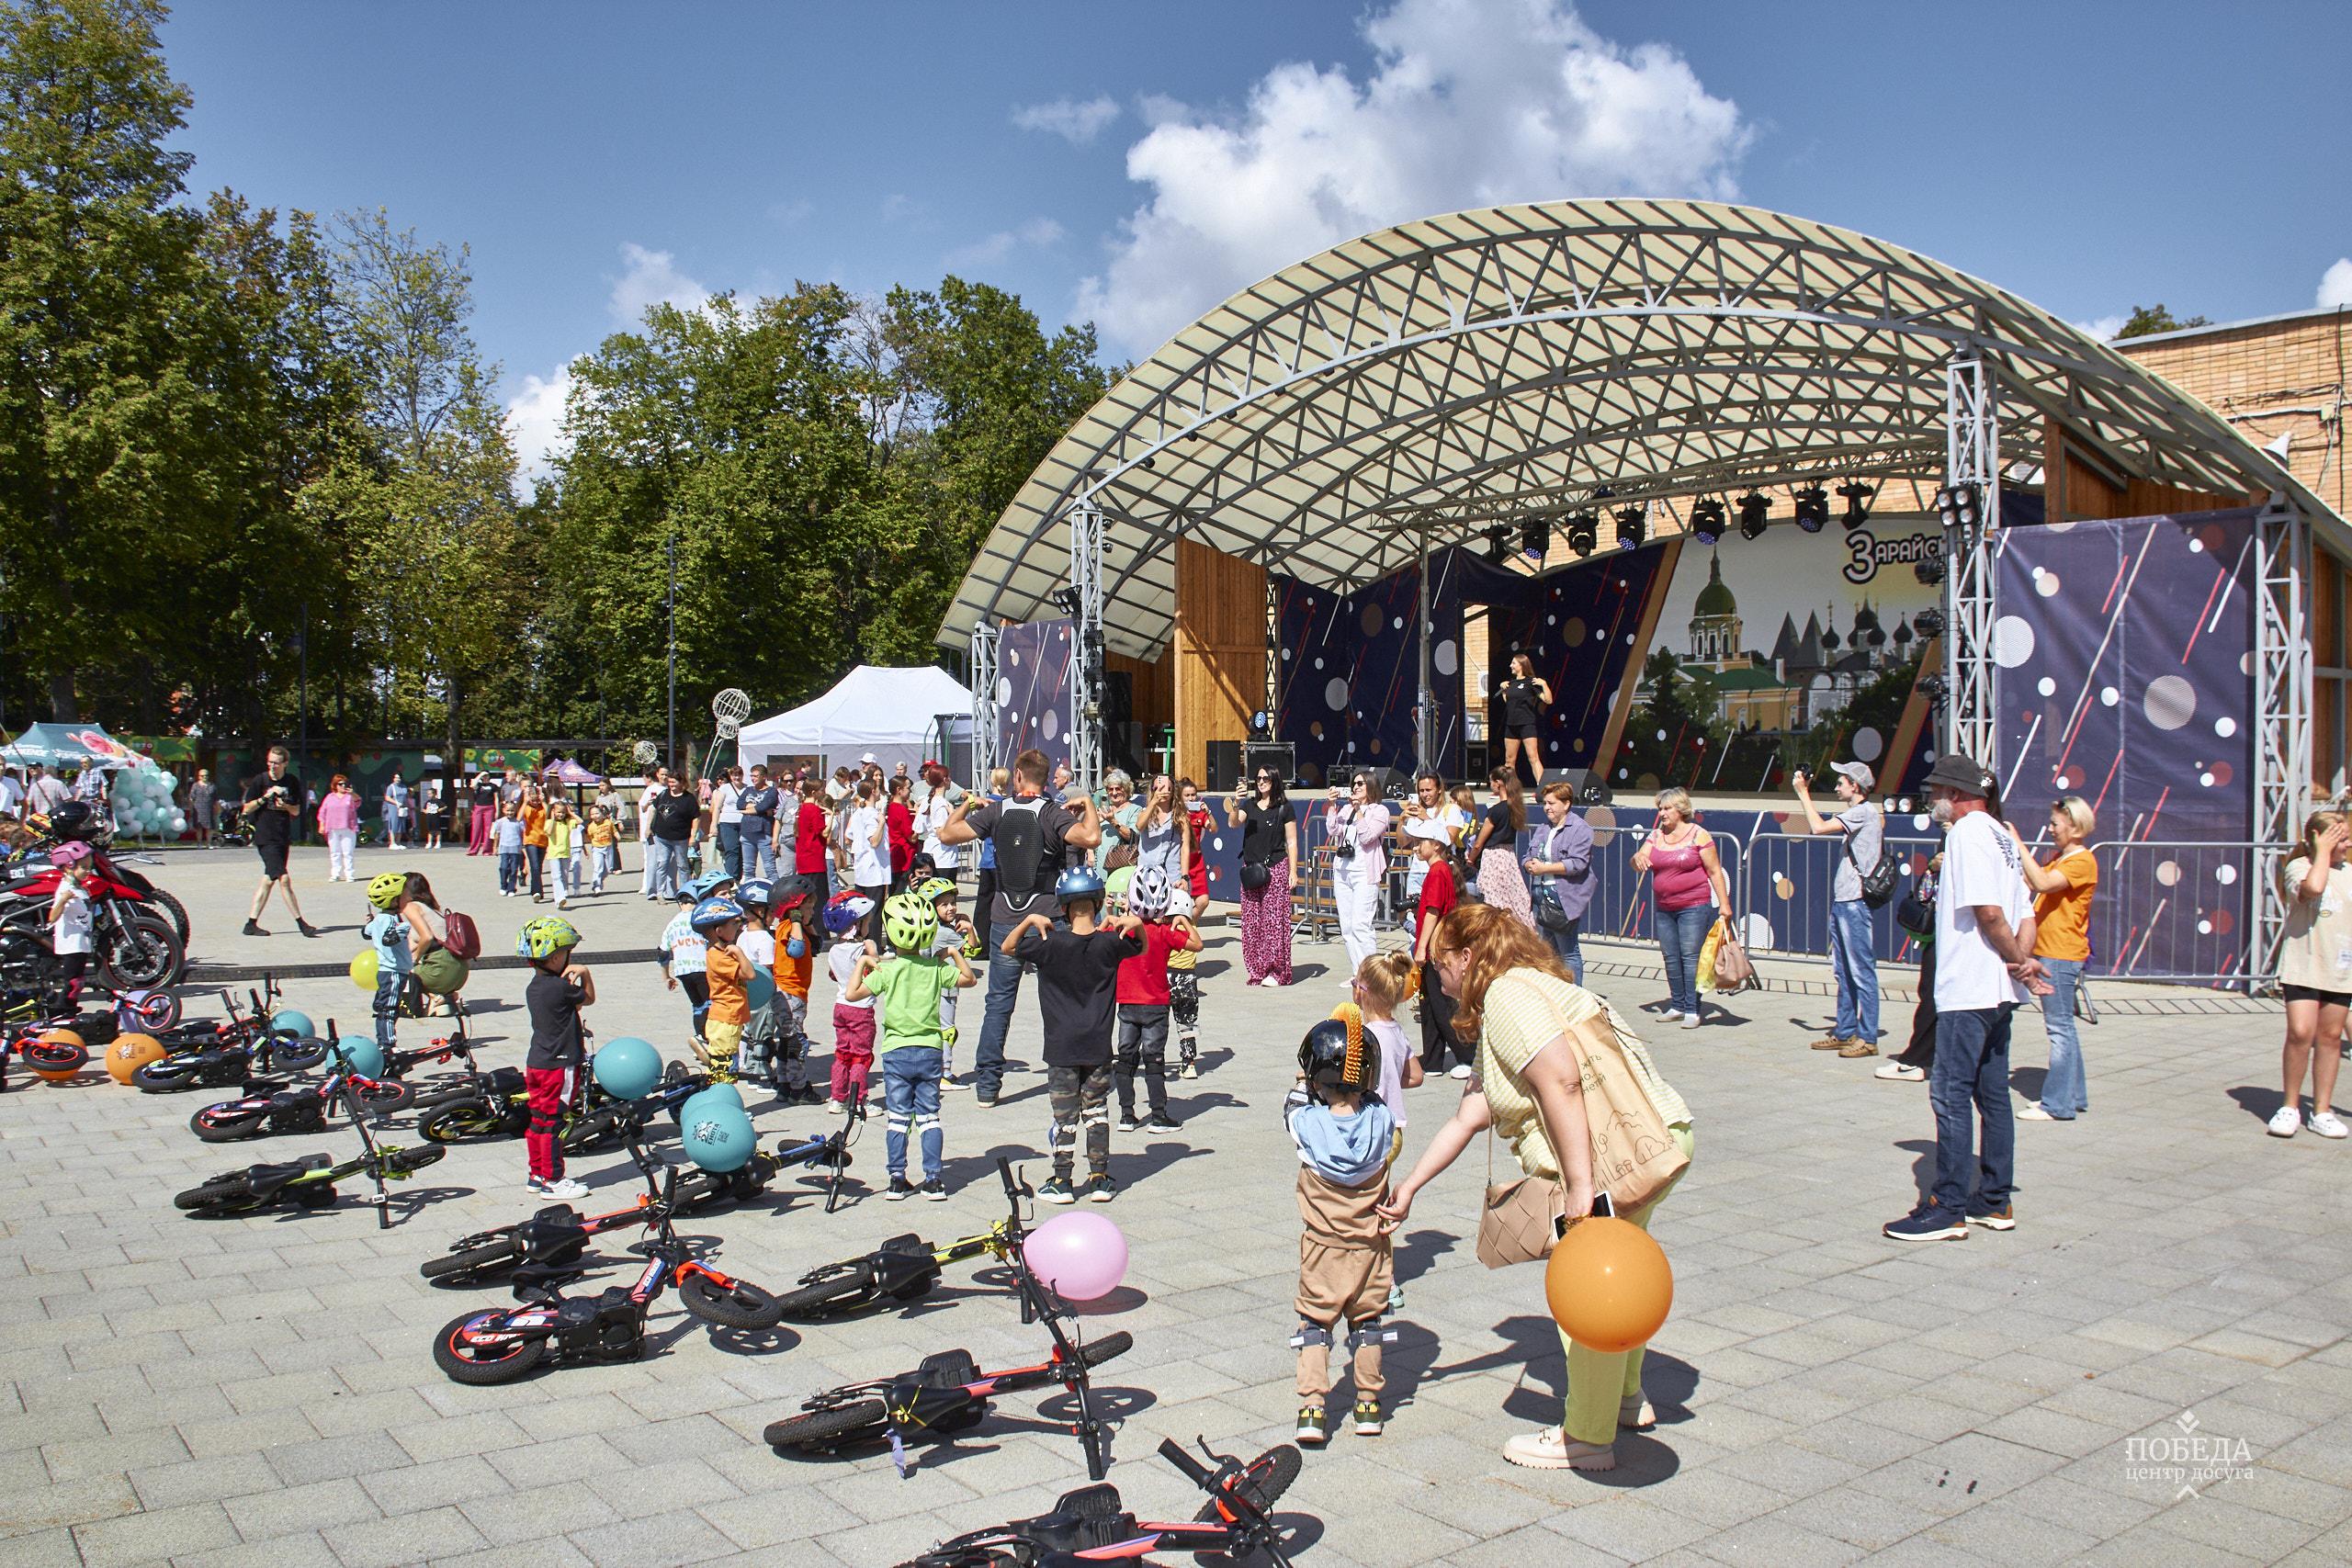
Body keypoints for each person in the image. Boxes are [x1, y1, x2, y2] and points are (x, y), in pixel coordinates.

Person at [1379, 902, 1694, 1472]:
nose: (1437, 977)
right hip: (1650, 1140)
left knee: (1588, 1289)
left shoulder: (1507, 997)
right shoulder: (1531, 988)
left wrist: (1580, 1188)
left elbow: (1561, 1080)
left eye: (1440, 963)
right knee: (1621, 1274)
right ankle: (1625, 1397)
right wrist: (1411, 1186)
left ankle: (1587, 1437)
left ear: (1467, 957)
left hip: (1606, 1160)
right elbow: (1469, 1116)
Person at [1884, 753, 2045, 1242]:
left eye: (1936, 792)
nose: (1932, 799)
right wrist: (2020, 961)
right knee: (1991, 1095)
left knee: (1950, 1093)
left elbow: (1989, 912)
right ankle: (1994, 1200)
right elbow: (2027, 914)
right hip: (1999, 990)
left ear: (1955, 795)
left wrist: (2014, 958)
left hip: (1969, 987)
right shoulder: (2001, 834)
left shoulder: (1969, 833)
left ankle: (1948, 1204)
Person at [937, 747, 1103, 1106]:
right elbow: (1092, 839)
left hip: (1004, 918)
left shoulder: (997, 811)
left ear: (1017, 775)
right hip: (1047, 916)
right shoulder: (1051, 813)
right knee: (1061, 997)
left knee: (998, 1003)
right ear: (1045, 780)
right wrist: (1087, 804)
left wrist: (969, 802)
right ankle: (1069, 1074)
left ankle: (987, 1085)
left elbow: (946, 834)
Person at [1285, 1009, 1400, 1447]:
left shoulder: (1307, 1126)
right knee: (1368, 1321)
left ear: (1317, 1080)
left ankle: (1313, 1408)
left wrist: (1303, 1081)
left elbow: (1293, 1104)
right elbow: (1377, 1097)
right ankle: (1368, 1404)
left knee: (1315, 1324)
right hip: (1372, 1248)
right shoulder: (1381, 1123)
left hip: (1323, 1248)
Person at [1004, 866, 1144, 1204]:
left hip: (1061, 1048)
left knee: (1064, 1117)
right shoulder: (1111, 944)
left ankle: (1062, 1180)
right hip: (1097, 1046)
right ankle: (1099, 1178)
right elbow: (1139, 947)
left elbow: (1009, 948)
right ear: (1097, 904)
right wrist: (1136, 923)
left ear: (1063, 907)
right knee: (1096, 1111)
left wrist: (1028, 921)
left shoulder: (1048, 945)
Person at [847, 891, 976, 1201]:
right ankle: (933, 1180)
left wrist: (864, 961)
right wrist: (952, 954)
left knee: (898, 1117)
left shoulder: (887, 970)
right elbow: (969, 979)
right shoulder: (934, 969)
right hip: (931, 1049)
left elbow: (852, 995)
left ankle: (896, 1179)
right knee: (929, 1116)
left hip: (896, 1052)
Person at [1792, 761, 1887, 1057]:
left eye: (1841, 782)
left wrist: (1802, 792)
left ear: (1854, 786)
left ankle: (1868, 1037)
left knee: (1861, 971)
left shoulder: (1862, 813)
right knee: (1844, 971)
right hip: (1846, 902)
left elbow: (1818, 827)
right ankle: (1846, 1031)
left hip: (1855, 903)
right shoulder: (1860, 814)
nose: (1836, 787)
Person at [2013, 797, 2098, 1122]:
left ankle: (2058, 1104)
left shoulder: (2081, 861)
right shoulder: (2062, 858)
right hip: (2055, 951)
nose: (2050, 830)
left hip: (2061, 954)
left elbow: (2042, 883)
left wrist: (2018, 844)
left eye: (2055, 824)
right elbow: (2028, 879)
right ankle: (2072, 1096)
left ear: (2075, 827)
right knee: (2064, 1028)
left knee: (2059, 1029)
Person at [2271, 809, 2352, 1139]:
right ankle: (2289, 1106)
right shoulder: (2299, 868)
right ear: (2320, 840)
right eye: (2341, 838)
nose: (2347, 843)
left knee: (2331, 1038)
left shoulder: (2348, 872)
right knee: (2301, 1033)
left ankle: (2322, 1110)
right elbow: (2315, 889)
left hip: (2340, 968)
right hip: (2304, 967)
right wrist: (2319, 853)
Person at [1630, 786, 1732, 1029]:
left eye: (1667, 808)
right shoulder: (1656, 836)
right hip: (1664, 907)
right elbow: (1637, 861)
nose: (1662, 813)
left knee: (1690, 957)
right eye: (1660, 809)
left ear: (1681, 809)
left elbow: (1714, 871)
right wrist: (1637, 859)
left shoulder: (1699, 835)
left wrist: (1725, 905)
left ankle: (1692, 1009)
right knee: (1671, 957)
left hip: (1694, 906)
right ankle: (1676, 1005)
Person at [1114, 865, 1199, 1134]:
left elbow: (1098, 937)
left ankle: (1127, 1116)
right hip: (1156, 1006)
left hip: (1127, 1004)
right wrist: (1184, 920)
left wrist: (1113, 915)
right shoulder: (1163, 933)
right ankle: (1159, 1116)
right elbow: (1197, 945)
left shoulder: (1124, 932)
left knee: (1126, 1059)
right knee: (1154, 1060)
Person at [520, 914, 593, 1200]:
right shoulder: (562, 987)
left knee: (538, 1120)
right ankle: (554, 1179)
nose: (568, 958)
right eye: (565, 953)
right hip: (559, 1065)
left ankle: (536, 1174)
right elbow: (588, 999)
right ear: (552, 958)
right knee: (553, 1123)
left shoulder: (534, 987)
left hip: (537, 1062)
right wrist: (584, 973)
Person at [1405, 818, 1472, 1077]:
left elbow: (1433, 911)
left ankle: (1465, 1057)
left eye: (1421, 842)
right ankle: (1433, 1060)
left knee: (1442, 1004)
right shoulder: (1441, 870)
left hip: (1437, 948)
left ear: (1436, 845)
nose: (1416, 846)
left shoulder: (1437, 871)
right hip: (1435, 946)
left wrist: (1422, 948)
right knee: (1428, 1001)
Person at [240, 747, 318, 938]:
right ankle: (302, 923)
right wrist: (264, 798)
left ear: (284, 764)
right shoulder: (261, 781)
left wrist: (285, 806)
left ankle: (250, 924)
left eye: (276, 762)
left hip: (282, 837)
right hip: (266, 838)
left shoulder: (291, 781)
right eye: (270, 762)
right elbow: (246, 808)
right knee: (284, 879)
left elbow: (297, 811)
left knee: (268, 881)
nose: (272, 766)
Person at [1235, 765, 1300, 986]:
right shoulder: (1249, 805)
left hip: (1275, 867)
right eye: (1258, 778)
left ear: (1275, 781)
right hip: (1251, 869)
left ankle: (1276, 971)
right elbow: (1234, 823)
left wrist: (1293, 870)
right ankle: (1256, 969)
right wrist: (1235, 804)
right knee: (1251, 922)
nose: (1261, 782)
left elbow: (1291, 841)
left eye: (1266, 779)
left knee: (1273, 921)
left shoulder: (1285, 808)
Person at [1524, 781, 1596, 982]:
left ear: (1566, 804)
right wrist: (1529, 864)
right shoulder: (1543, 828)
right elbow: (1528, 854)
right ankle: (1554, 995)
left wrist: (1545, 868)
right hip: (1540, 895)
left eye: (1552, 803)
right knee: (1547, 952)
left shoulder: (1580, 829)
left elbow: (1578, 863)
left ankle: (1576, 995)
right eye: (1545, 803)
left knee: (1568, 951)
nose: (1547, 807)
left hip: (1563, 898)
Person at [1323, 771, 1393, 973]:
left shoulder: (1380, 811)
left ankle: (1371, 975)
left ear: (1371, 785)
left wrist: (1359, 812)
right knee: (1347, 927)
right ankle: (1358, 973)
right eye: (1354, 783)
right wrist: (1332, 807)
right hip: (1343, 870)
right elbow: (1332, 830)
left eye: (1360, 783)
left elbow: (1368, 837)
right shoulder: (1346, 809)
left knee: (1361, 925)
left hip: (1364, 871)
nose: (1355, 787)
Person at [362, 872, 434, 1051]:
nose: (408, 898)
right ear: (394, 901)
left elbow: (365, 932)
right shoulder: (389, 920)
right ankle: (387, 1045)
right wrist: (403, 928)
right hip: (393, 972)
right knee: (389, 1009)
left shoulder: (381, 918)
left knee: (385, 1006)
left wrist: (372, 923)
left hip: (389, 971)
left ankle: (384, 1040)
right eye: (405, 895)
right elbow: (388, 939)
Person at [768, 885, 822, 1104]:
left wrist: (806, 924)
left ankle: (784, 1085)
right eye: (809, 907)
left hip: (791, 993)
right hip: (790, 994)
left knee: (786, 1040)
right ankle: (799, 1088)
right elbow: (796, 949)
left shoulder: (793, 927)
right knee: (796, 1042)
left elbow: (816, 946)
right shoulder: (789, 927)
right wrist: (798, 920)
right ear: (795, 909)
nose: (813, 912)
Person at [824, 893, 879, 1107]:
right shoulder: (860, 951)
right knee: (861, 1056)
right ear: (856, 926)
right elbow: (876, 974)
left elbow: (833, 974)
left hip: (841, 1006)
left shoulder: (834, 950)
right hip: (861, 1009)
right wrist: (873, 951)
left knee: (843, 1053)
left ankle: (837, 1098)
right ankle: (858, 1100)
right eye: (866, 922)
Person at [695, 896, 752, 1083]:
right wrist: (739, 952)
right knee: (724, 1069)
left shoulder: (720, 952)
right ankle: (722, 1102)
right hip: (725, 1018)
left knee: (727, 1065)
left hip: (730, 1016)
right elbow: (750, 974)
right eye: (734, 924)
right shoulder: (720, 957)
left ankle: (707, 1053)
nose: (739, 927)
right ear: (719, 930)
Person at [660, 880, 714, 1045]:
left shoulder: (672, 924)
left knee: (697, 1005)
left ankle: (699, 1037)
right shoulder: (700, 918)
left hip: (683, 970)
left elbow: (662, 952)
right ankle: (708, 1038)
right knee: (710, 1003)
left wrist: (666, 976)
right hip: (702, 967)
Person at [45, 842, 95, 1002]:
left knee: (77, 983)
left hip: (82, 942)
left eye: (89, 867)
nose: (88, 871)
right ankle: (62, 1011)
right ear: (68, 867)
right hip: (71, 944)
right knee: (73, 983)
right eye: (84, 867)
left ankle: (69, 1011)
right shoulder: (65, 889)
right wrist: (63, 900)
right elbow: (52, 917)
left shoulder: (80, 888)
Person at [1497, 651, 1553, 789]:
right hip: (1511, 725)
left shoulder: (1531, 682)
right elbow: (1509, 702)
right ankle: (1509, 790)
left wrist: (1544, 684)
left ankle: (1541, 789)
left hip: (1527, 724)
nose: (1511, 665)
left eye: (1514, 663)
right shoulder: (1511, 683)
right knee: (1509, 761)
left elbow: (1548, 700)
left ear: (1521, 665)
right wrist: (1503, 689)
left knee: (1533, 757)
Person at [643, 771, 700, 903]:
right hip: (662, 837)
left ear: (681, 783)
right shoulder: (663, 794)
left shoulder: (688, 798)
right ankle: (660, 894)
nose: (671, 785)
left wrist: (693, 836)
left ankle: (686, 893)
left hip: (680, 838)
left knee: (683, 865)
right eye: (669, 782)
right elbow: (653, 809)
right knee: (662, 864)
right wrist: (648, 828)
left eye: (674, 782)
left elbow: (696, 818)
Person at [846, 777, 891, 933]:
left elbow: (849, 834)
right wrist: (881, 823)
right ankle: (874, 944)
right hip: (874, 868)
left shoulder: (859, 813)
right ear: (873, 791)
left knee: (862, 910)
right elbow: (874, 841)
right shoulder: (872, 815)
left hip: (863, 867)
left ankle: (861, 940)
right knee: (874, 910)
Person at [918, 762, 965, 884]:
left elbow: (918, 827)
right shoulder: (940, 804)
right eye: (949, 777)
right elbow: (942, 833)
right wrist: (954, 816)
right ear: (945, 779)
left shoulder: (929, 801)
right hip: (943, 858)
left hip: (934, 854)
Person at [790, 774, 831, 908]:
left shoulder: (802, 808)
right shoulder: (813, 810)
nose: (823, 792)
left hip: (803, 860)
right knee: (818, 900)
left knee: (806, 899)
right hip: (815, 861)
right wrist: (830, 817)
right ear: (814, 793)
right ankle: (819, 929)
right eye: (821, 790)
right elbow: (824, 833)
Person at [735, 764, 779, 884]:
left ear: (764, 777)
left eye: (756, 776)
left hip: (763, 834)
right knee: (748, 869)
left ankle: (775, 893)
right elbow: (739, 804)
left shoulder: (772, 791)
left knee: (770, 868)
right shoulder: (748, 790)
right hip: (746, 833)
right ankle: (749, 894)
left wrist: (751, 809)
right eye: (751, 776)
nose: (753, 778)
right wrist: (759, 809)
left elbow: (764, 806)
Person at [1095, 771, 1139, 874]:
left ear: (1127, 789)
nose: (1114, 793)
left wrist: (1112, 821)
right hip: (1100, 867)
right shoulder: (1103, 810)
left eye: (1118, 788)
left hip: (1121, 869)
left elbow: (1132, 836)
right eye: (1110, 789)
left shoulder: (1135, 809)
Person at [318, 775, 361, 882]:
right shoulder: (330, 797)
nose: (343, 786)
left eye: (344, 784)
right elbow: (322, 812)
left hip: (348, 827)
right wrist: (322, 824)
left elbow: (358, 801)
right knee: (334, 852)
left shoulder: (350, 796)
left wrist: (352, 793)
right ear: (335, 785)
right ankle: (335, 874)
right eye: (340, 784)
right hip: (332, 828)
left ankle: (349, 874)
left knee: (348, 852)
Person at [710, 766, 745, 882]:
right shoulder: (724, 788)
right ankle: (731, 879)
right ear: (730, 776)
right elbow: (717, 807)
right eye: (734, 775)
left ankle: (738, 878)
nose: (737, 777)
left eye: (739, 774)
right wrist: (714, 824)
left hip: (743, 822)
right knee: (731, 850)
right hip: (727, 822)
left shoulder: (747, 788)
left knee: (742, 851)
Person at [885, 774, 917, 894]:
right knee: (901, 890)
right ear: (899, 790)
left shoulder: (892, 807)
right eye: (908, 788)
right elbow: (912, 838)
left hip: (895, 853)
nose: (910, 791)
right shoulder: (901, 810)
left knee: (894, 890)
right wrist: (919, 819)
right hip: (905, 856)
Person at [546, 800, 580, 910]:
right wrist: (552, 818)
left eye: (562, 813)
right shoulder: (549, 822)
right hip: (554, 853)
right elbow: (549, 832)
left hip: (565, 853)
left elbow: (580, 821)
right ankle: (559, 899)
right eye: (558, 812)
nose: (560, 814)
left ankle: (562, 894)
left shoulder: (568, 822)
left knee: (564, 875)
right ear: (553, 811)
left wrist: (570, 813)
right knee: (556, 876)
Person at [518, 784, 549, 901]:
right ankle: (537, 891)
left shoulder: (542, 807)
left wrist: (544, 801)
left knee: (539, 868)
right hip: (530, 839)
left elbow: (550, 815)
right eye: (533, 800)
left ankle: (533, 888)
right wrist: (525, 802)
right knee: (534, 866)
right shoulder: (526, 807)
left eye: (537, 800)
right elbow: (518, 818)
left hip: (543, 840)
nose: (535, 802)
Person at [583, 805, 619, 895]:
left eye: (597, 813)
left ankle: (600, 880)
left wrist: (617, 835)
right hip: (597, 848)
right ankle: (596, 886)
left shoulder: (608, 822)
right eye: (592, 814)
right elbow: (590, 837)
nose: (595, 816)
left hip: (608, 847)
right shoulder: (591, 826)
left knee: (608, 869)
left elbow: (613, 830)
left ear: (602, 814)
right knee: (598, 868)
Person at [492, 803, 526, 897]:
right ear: (503, 810)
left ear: (515, 811)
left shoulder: (519, 822)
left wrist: (523, 846)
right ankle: (503, 886)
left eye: (512, 810)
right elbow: (497, 835)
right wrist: (495, 847)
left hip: (516, 849)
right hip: (504, 848)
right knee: (504, 867)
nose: (510, 813)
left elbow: (523, 834)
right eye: (508, 810)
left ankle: (511, 888)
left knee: (514, 869)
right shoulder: (500, 822)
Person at [467, 771, 499, 855]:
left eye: (486, 775)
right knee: (476, 828)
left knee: (488, 830)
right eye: (484, 776)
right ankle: (473, 850)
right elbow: (473, 785)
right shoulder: (479, 785)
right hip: (478, 807)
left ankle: (487, 850)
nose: (485, 777)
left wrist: (497, 811)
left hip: (490, 807)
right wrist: (480, 774)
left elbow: (496, 799)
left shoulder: (493, 786)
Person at [381, 771, 411, 852]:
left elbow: (405, 797)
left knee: (401, 826)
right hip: (393, 808)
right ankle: (392, 843)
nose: (398, 779)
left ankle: (398, 842)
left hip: (402, 808)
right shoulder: (391, 787)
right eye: (396, 778)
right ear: (393, 778)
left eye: (399, 778)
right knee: (393, 824)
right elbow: (387, 797)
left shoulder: (404, 786)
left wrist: (406, 806)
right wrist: (396, 803)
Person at [188, 769, 216, 847]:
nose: (204, 777)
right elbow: (191, 798)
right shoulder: (195, 786)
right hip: (198, 809)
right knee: (198, 827)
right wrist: (191, 808)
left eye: (206, 775)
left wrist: (216, 809)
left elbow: (215, 798)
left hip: (209, 808)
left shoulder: (212, 786)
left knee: (209, 827)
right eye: (202, 776)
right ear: (199, 776)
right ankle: (199, 843)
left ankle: (209, 843)